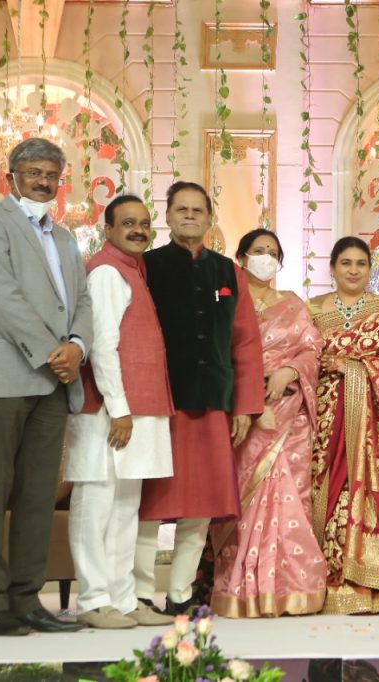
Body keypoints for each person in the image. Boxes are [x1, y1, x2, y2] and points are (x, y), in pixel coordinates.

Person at [0, 137, 92, 635]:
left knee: (38, 495)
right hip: (5, 375)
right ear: (11, 175)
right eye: (35, 172)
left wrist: (77, 346)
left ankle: (27, 599)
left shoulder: (65, 239)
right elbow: (1, 297)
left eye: (52, 174)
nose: (44, 181)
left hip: (55, 381)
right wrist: (52, 352)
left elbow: (82, 302)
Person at [134, 181, 264, 616]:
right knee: (151, 501)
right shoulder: (147, 267)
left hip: (213, 402)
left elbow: (246, 343)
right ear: (168, 216)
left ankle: (181, 594)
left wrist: (245, 405)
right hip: (161, 403)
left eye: (197, 210)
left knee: (202, 505)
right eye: (181, 209)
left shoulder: (228, 273)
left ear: (210, 218)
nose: (190, 216)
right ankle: (139, 593)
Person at [65, 195, 175, 629]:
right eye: (128, 223)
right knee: (96, 502)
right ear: (108, 230)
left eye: (144, 223)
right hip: (110, 412)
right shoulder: (107, 272)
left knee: (125, 506)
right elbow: (102, 346)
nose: (138, 230)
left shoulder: (133, 270)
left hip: (135, 407)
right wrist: (120, 409)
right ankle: (94, 600)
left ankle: (123, 599)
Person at [211, 228, 327, 617]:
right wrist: (249, 395)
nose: (266, 257)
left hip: (289, 414)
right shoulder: (225, 299)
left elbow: (312, 349)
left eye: (273, 252)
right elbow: (217, 351)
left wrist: (289, 371)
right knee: (243, 503)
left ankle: (293, 587)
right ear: (241, 257)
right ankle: (241, 589)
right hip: (241, 413)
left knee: (291, 498)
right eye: (258, 250)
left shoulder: (293, 304)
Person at [308, 236, 379, 614]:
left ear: (370, 269)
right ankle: (314, 585)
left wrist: (351, 368)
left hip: (370, 427)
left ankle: (362, 588)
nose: (353, 270)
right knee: (316, 493)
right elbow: (300, 357)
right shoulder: (311, 310)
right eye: (346, 263)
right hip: (321, 420)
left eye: (361, 263)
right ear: (332, 268)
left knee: (356, 494)